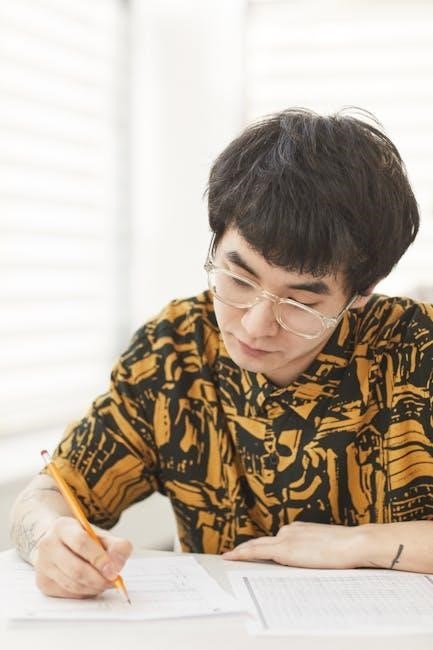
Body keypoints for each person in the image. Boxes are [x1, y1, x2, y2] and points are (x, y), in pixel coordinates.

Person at [9, 107, 433, 600]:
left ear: (362, 291)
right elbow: (48, 495)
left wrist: (361, 545)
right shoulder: (175, 350)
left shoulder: (418, 351)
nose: (255, 325)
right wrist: (50, 539)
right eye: (239, 279)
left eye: (300, 303)